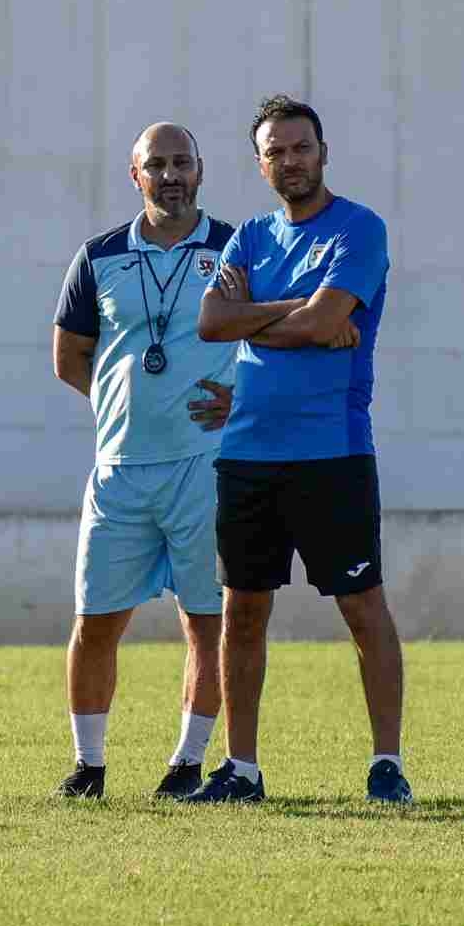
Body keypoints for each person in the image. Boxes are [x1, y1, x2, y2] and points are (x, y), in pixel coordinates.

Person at [187, 94, 412, 806]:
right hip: (247, 452)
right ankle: (242, 770)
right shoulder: (250, 237)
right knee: (243, 611)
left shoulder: (360, 229)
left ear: (323, 151)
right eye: (276, 150)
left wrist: (290, 317)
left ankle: (386, 764)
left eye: (301, 146)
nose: (291, 160)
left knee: (361, 607)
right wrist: (298, 312)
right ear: (261, 164)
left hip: (333, 454)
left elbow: (324, 321)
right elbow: (211, 320)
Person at [50, 123, 235, 800]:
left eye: (181, 162)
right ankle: (88, 764)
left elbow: (271, 340)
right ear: (135, 176)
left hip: (204, 467)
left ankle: (188, 762)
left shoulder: (234, 248)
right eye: (155, 164)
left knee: (205, 620)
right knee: (95, 621)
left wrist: (237, 398)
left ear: (201, 170)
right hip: (120, 468)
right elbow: (69, 357)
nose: (170, 174)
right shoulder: (98, 256)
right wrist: (123, 403)